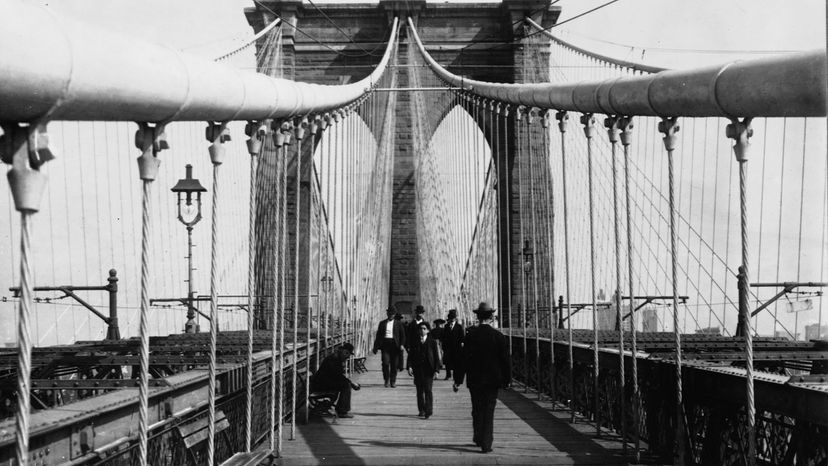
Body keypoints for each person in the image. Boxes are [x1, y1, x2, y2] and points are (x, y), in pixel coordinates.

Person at [453, 302, 511, 453]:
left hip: (475, 380)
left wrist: (458, 380)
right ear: (491, 317)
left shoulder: (471, 335)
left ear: (477, 317)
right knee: (488, 410)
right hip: (492, 381)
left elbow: (463, 359)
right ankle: (486, 443)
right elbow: (505, 361)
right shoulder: (498, 336)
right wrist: (507, 380)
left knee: (477, 408)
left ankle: (478, 437)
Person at [310, 342, 361, 418]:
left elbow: (337, 376)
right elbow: (337, 376)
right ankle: (342, 411)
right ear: (343, 351)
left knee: (345, 384)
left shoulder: (336, 358)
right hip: (320, 385)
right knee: (346, 385)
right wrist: (351, 383)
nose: (347, 357)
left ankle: (341, 409)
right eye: (347, 354)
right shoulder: (333, 360)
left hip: (322, 383)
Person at [407, 322, 441, 419]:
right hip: (418, 369)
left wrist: (437, 370)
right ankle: (421, 410)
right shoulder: (414, 342)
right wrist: (409, 366)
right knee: (419, 390)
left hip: (429, 369)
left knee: (428, 390)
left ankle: (428, 410)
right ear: (418, 330)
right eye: (420, 328)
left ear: (428, 330)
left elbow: (436, 358)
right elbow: (410, 356)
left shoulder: (432, 342)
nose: (422, 330)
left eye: (424, 328)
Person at [372, 307, 405, 387]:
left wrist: (402, 344)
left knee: (394, 365)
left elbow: (403, 335)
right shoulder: (382, 323)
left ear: (394, 315)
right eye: (389, 313)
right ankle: (386, 379)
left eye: (392, 314)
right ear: (387, 314)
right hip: (385, 345)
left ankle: (393, 381)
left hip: (395, 346)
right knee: (385, 363)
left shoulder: (398, 324)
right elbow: (378, 336)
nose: (391, 315)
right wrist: (375, 347)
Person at [441, 309, 464, 380]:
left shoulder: (459, 327)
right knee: (447, 362)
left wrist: (461, 345)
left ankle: (455, 376)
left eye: (453, 318)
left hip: (456, 347)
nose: (452, 319)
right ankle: (448, 375)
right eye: (451, 318)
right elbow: (444, 337)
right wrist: (443, 346)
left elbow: (462, 337)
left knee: (456, 362)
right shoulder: (446, 326)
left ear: (455, 318)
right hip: (448, 347)